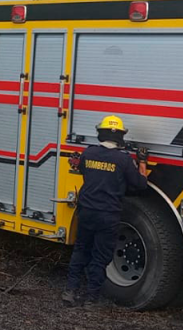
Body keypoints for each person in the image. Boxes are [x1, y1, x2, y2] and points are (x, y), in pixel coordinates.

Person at [62, 115, 148, 308]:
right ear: (120, 136)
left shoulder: (88, 153)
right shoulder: (124, 160)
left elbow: (82, 169)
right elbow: (140, 184)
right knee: (100, 257)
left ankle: (70, 291)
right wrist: (142, 161)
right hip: (108, 215)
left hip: (86, 212)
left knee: (81, 250)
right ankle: (91, 299)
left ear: (101, 133)